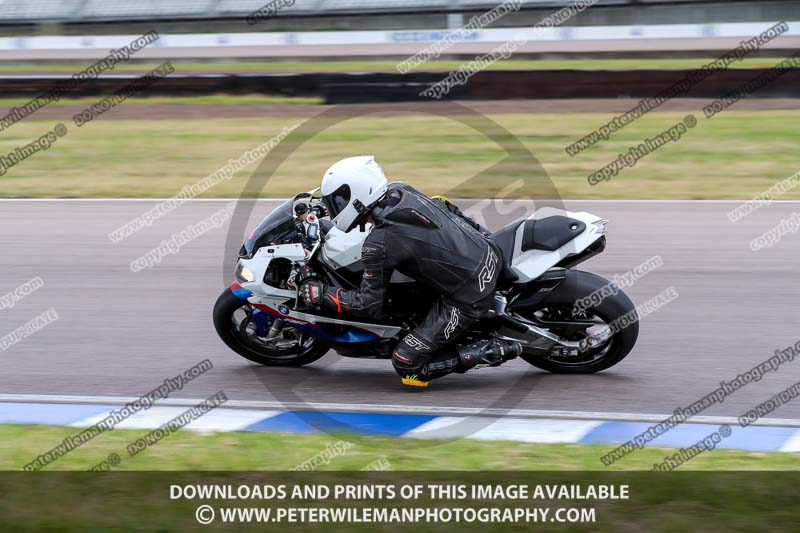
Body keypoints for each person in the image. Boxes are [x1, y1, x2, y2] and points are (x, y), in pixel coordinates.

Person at [299, 156, 522, 387]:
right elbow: (444, 204)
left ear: (357, 198)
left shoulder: (379, 243)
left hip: (470, 295)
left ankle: (493, 350)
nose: (335, 207)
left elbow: (368, 304)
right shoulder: (401, 190)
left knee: (408, 364)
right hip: (489, 250)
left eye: (338, 200)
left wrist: (321, 293)